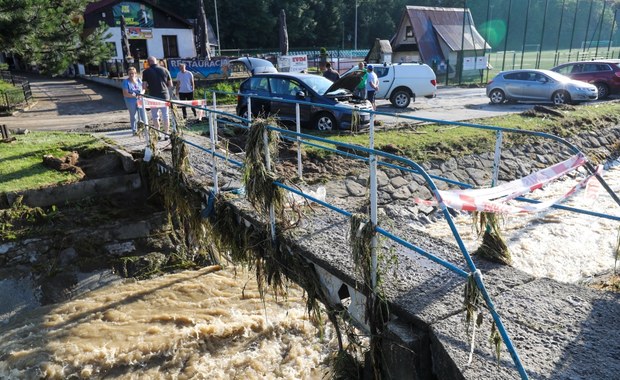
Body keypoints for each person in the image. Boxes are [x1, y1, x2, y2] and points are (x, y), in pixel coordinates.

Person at [141, 56, 173, 139]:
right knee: (165, 115)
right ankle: (166, 134)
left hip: (153, 96)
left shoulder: (145, 72)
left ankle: (158, 134)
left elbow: (144, 86)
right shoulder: (165, 70)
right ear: (156, 61)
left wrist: (149, 87)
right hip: (165, 96)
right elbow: (170, 84)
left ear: (148, 62)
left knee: (155, 116)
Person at [121, 66, 147, 135]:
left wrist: (141, 93)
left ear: (135, 73)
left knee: (142, 114)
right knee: (133, 115)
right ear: (128, 74)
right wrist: (135, 95)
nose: (131, 75)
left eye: (133, 73)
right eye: (130, 73)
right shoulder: (125, 82)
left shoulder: (139, 80)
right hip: (130, 100)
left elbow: (144, 89)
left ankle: (145, 129)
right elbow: (125, 93)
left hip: (140, 99)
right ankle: (134, 130)